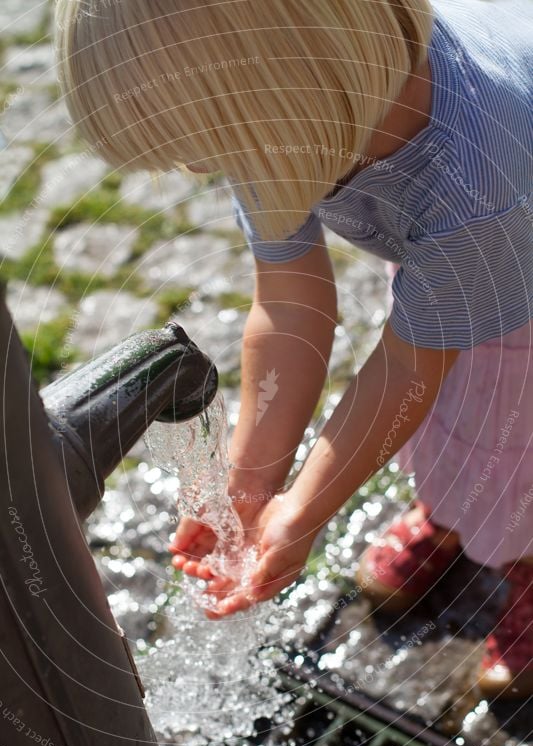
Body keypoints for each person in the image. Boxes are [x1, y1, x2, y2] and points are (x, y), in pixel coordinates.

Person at [55, 0, 532, 697]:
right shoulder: (298, 111)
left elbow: (405, 368)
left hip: (517, 269)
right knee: (454, 417)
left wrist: (302, 513)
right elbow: (289, 307)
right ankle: (449, 509)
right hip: (463, 254)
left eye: (206, 147)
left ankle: (519, 559)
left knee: (510, 435)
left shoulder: (473, 192)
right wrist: (251, 480)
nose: (198, 166)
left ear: (280, 97)